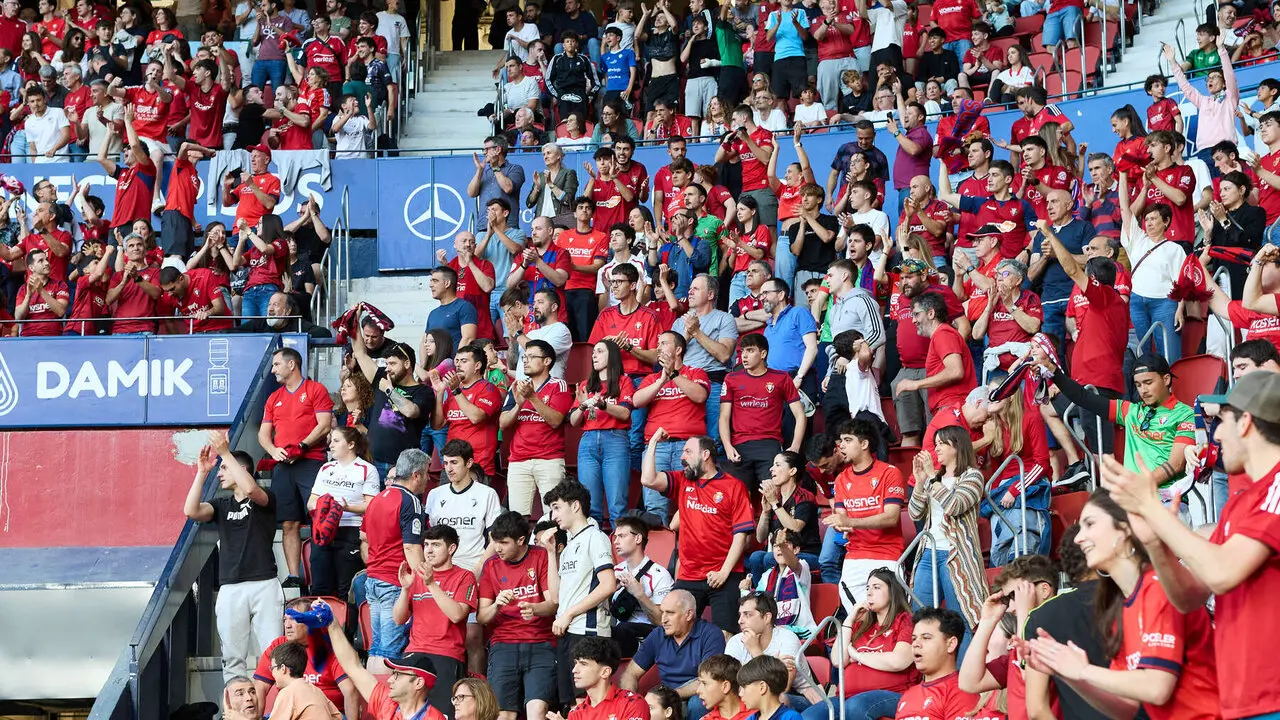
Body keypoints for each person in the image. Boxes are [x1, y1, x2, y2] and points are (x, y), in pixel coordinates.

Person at [1100, 369, 1280, 719]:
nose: (1215, 436)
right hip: (1244, 698)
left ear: (1244, 423)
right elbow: (1188, 597)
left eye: (1222, 422)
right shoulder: (1241, 502)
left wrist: (1151, 504)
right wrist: (1156, 544)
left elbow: (1222, 572)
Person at [1027, 491, 1220, 720]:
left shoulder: (1160, 588)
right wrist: (1068, 674)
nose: (1078, 538)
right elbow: (1126, 708)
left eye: (1090, 524)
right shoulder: (1122, 605)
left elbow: (1157, 687)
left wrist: (1084, 670)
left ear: (1125, 529)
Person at [184, 431, 282, 683]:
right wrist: (201, 473)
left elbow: (250, 488)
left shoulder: (266, 498)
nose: (220, 473)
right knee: (233, 658)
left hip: (264, 584)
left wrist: (225, 452)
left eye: (224, 468)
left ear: (241, 468)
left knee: (275, 656)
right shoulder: (221, 504)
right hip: (230, 587)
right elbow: (191, 510)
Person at [641, 433, 752, 634]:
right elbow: (648, 479)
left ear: (705, 454)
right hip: (689, 574)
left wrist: (724, 572)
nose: (683, 457)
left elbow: (741, 535)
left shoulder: (734, 487)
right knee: (674, 628)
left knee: (726, 635)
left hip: (724, 574)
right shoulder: (683, 480)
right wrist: (653, 442)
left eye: (688, 451)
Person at [259, 347, 333, 589]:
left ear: (292, 365)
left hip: (311, 461)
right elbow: (263, 434)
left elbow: (324, 426)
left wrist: (301, 446)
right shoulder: (273, 398)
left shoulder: (315, 389)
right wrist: (273, 451)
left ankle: (321, 576)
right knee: (289, 523)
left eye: (276, 365)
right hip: (283, 466)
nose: (273, 370)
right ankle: (293, 576)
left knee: (318, 519)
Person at [478, 510, 558, 720]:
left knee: (537, 711)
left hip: (541, 642)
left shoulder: (541, 557)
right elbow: (482, 617)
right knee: (503, 715)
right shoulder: (491, 565)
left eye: (503, 543)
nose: (497, 548)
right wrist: (496, 605)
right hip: (503, 644)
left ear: (521, 540)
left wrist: (535, 609)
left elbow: (553, 604)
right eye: (495, 542)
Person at [907, 425, 986, 636]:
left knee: (960, 620)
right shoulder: (935, 479)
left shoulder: (973, 476)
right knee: (921, 618)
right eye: (936, 444)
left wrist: (932, 477)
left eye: (942, 443)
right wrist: (920, 481)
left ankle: (962, 669)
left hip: (956, 553)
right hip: (928, 553)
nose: (937, 448)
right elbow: (914, 513)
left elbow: (954, 506)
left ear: (957, 445)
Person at [545, 480, 617, 709]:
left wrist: (569, 614)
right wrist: (550, 553)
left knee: (586, 701)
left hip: (589, 630)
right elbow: (556, 597)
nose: (553, 514)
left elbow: (608, 585)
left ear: (575, 506)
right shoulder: (569, 546)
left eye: (557, 507)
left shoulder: (595, 537)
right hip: (569, 630)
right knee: (571, 704)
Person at [394, 524, 479, 718]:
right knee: (405, 714)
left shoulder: (464, 577)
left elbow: (457, 615)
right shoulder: (416, 576)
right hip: (414, 653)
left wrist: (431, 584)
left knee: (441, 714)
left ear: (451, 549)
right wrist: (406, 588)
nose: (429, 550)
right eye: (426, 544)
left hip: (446, 655)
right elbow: (399, 619)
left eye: (436, 545)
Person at [319, 598, 448, 720]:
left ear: (418, 683)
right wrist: (332, 624)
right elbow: (353, 667)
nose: (390, 679)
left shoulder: (434, 718)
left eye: (398, 675)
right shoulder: (386, 702)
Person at [826, 420, 906, 615]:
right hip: (855, 556)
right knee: (860, 619)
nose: (841, 446)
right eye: (840, 441)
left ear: (864, 444)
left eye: (847, 440)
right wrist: (840, 525)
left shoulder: (890, 473)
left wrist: (849, 522)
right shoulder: (841, 479)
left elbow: (891, 518)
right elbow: (842, 518)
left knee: (891, 618)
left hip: (888, 555)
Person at [815, 569, 916, 720]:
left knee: (856, 707)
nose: (869, 593)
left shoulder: (905, 621)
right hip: (847, 697)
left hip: (894, 694)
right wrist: (849, 620)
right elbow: (838, 660)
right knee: (810, 715)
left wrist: (857, 655)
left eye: (876, 587)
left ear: (893, 592)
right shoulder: (860, 625)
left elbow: (898, 661)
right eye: (868, 588)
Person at [362, 449, 430, 673]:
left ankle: (372, 703)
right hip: (394, 582)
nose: (429, 479)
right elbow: (411, 546)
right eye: (427, 473)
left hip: (372, 580)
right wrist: (424, 580)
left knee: (376, 648)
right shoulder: (410, 501)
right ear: (416, 474)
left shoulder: (378, 498)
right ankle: (386, 706)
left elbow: (365, 537)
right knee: (390, 652)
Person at [634, 331, 712, 525]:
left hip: (688, 448)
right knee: (654, 507)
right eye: (658, 344)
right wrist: (662, 379)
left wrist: (674, 374)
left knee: (691, 502)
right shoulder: (652, 379)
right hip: (657, 447)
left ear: (678, 350)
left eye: (663, 343)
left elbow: (700, 396)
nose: (658, 347)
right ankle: (660, 553)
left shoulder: (696, 373)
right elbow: (636, 401)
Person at [621, 590, 728, 720]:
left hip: (696, 695)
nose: (663, 619)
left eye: (670, 613)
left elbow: (709, 680)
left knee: (697, 703)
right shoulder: (657, 635)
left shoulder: (711, 634)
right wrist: (633, 700)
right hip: (669, 701)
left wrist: (670, 696)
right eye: (662, 612)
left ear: (689, 614)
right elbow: (630, 673)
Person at [501, 339, 574, 515]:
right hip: (518, 460)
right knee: (517, 520)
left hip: (549, 459)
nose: (525, 360)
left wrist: (532, 398)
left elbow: (556, 420)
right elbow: (503, 423)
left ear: (547, 361)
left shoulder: (558, 385)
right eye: (524, 357)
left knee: (553, 517)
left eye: (531, 356)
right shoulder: (517, 387)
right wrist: (518, 405)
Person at [253, 599, 359, 719]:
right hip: (290, 713)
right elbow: (260, 687)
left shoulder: (329, 646)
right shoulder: (278, 646)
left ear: (309, 620)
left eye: (293, 619)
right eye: (285, 620)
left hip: (328, 714)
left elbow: (350, 691)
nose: (287, 625)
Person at [569, 339, 635, 526]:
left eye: (599, 351)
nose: (594, 355)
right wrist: (582, 405)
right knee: (590, 508)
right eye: (593, 352)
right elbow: (574, 421)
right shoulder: (585, 384)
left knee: (617, 506)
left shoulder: (624, 381)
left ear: (611, 355)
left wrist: (603, 404)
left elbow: (625, 413)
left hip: (615, 440)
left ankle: (620, 553)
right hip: (588, 441)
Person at [307, 427, 378, 600]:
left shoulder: (367, 469)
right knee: (320, 587)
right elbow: (311, 502)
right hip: (323, 531)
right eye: (331, 440)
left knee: (345, 588)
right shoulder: (326, 468)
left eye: (336, 441)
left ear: (351, 444)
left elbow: (372, 506)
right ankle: (320, 627)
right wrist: (326, 507)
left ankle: (347, 627)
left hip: (351, 530)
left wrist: (345, 508)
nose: (331, 445)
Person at [350, 331, 432, 480]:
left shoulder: (423, 391)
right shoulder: (383, 378)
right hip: (373, 462)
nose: (387, 368)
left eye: (393, 363)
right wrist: (353, 321)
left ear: (407, 364)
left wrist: (389, 390)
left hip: (402, 467)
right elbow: (360, 353)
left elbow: (410, 411)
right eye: (387, 364)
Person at [673, 274, 739, 453]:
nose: (690, 291)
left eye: (696, 288)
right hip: (683, 382)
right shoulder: (679, 322)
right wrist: (687, 333)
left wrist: (696, 332)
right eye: (690, 288)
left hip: (713, 381)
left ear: (710, 294)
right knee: (684, 437)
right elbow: (670, 356)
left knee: (714, 439)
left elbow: (725, 354)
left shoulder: (724, 318)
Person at [725, 592, 823, 710]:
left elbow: (781, 687)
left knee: (776, 698)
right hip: (750, 696)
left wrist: (755, 651)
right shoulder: (735, 641)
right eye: (740, 615)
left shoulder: (787, 638)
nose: (740, 621)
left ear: (767, 617)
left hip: (797, 697)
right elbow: (730, 683)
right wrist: (774, 666)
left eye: (747, 615)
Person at [425, 439, 502, 575]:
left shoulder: (487, 494)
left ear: (469, 463)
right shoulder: (434, 494)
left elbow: (495, 538)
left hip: (472, 566)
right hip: (440, 570)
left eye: (454, 463)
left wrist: (479, 568)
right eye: (446, 463)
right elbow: (428, 538)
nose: (449, 468)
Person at [895, 291, 976, 417]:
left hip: (952, 406)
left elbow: (955, 371)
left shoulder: (943, 334)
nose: (913, 321)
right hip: (949, 406)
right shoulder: (942, 334)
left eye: (916, 314)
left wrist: (916, 384)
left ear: (931, 313)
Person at [892, 608, 983, 720]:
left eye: (926, 638)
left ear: (951, 644)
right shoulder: (908, 695)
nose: (916, 644)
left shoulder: (963, 692)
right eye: (914, 638)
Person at [429, 344, 504, 476]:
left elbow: (476, 417)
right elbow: (437, 425)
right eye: (456, 361)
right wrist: (440, 392)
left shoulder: (488, 389)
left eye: (464, 361)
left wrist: (456, 391)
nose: (458, 365)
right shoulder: (454, 391)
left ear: (477, 365)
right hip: (450, 465)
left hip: (477, 466)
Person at [746, 451, 820, 583]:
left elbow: (795, 527)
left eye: (778, 465)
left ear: (792, 471)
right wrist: (766, 512)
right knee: (756, 557)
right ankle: (760, 598)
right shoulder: (776, 497)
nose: (771, 469)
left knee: (769, 558)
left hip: (805, 553)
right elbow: (760, 537)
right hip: (779, 552)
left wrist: (774, 503)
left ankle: (775, 597)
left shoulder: (805, 497)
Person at [612, 516, 676, 656]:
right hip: (619, 632)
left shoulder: (659, 575)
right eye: (615, 536)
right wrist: (609, 591)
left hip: (648, 633)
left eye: (622, 536)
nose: (616, 541)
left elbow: (662, 622)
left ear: (638, 539)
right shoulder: (615, 572)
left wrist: (640, 595)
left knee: (623, 629)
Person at [560, 637, 650, 720]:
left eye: (583, 664)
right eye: (575, 663)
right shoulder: (576, 714)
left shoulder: (633, 703)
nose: (574, 670)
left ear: (605, 672)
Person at [558, 196, 609, 341]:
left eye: (588, 208)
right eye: (580, 208)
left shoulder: (601, 237)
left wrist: (574, 267)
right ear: (574, 213)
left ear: (592, 214)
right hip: (565, 290)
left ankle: (587, 363)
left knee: (585, 336)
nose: (584, 210)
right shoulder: (564, 236)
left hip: (586, 291)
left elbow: (598, 266)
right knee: (566, 336)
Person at [264, 642, 343, 720]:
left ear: (282, 668)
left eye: (272, 668)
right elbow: (337, 716)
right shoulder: (316, 690)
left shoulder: (287, 693)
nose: (272, 673)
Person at [468, 136, 526, 230]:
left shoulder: (515, 169)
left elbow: (508, 188)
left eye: (487, 149)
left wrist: (495, 167)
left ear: (498, 149)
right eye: (483, 150)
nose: (484, 152)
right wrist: (479, 171)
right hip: (484, 227)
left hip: (507, 227)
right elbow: (471, 193)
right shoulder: (484, 172)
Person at [427, 265, 478, 350]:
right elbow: (424, 341)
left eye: (435, 281)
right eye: (431, 281)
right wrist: (424, 363)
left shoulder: (464, 307)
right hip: (434, 363)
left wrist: (457, 362)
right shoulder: (433, 313)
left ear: (447, 283)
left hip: (453, 362)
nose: (430, 285)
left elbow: (468, 338)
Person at [736, 656, 802, 720]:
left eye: (744, 687)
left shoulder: (791, 717)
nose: (740, 694)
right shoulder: (750, 718)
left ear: (762, 687)